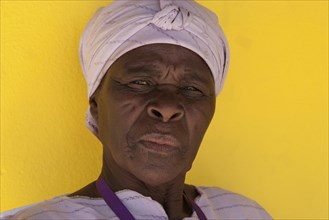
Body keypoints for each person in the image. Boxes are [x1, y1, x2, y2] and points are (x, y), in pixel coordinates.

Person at [1, 0, 272, 219]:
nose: (167, 108)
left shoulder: (244, 212)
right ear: (96, 105)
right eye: (140, 82)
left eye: (192, 89)